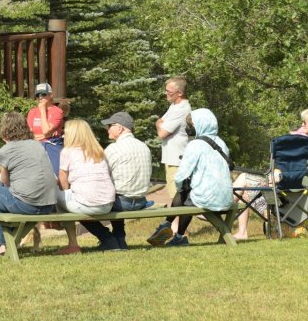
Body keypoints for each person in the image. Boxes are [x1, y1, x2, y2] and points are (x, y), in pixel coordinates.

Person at [158, 108, 233, 247]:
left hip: (208, 198)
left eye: (191, 125)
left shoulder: (195, 145)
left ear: (200, 125)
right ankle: (175, 232)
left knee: (183, 193)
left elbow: (181, 175)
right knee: (187, 194)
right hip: (226, 197)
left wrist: (181, 188)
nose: (189, 128)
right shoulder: (222, 143)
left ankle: (169, 227)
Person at [80, 111, 152, 251]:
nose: (107, 129)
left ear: (120, 128)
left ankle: (108, 239)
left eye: (110, 126)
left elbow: (100, 175)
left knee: (81, 208)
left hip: (121, 202)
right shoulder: (144, 146)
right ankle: (120, 238)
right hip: (140, 201)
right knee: (116, 193)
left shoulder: (113, 149)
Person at [0, 111, 56, 256]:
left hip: (28, 205)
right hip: (48, 204)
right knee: (7, 195)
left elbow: (5, 182)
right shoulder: (37, 145)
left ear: (4, 129)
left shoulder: (5, 150)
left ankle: (2, 244)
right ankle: (11, 240)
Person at [54, 118, 116, 255]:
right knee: (78, 200)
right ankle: (107, 238)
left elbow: (63, 181)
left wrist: (65, 191)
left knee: (56, 193)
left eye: (65, 132)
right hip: (107, 203)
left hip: (86, 203)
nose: (63, 135)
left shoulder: (67, 152)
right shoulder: (99, 151)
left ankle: (72, 244)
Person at [148, 76, 192, 245]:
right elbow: (161, 123)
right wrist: (160, 123)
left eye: (169, 91)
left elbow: (162, 132)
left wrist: (159, 124)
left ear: (179, 93)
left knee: (177, 195)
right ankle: (175, 230)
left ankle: (178, 232)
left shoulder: (182, 108)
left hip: (177, 158)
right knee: (174, 193)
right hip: (170, 156)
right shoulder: (173, 106)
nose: (166, 94)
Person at [28, 82, 65, 175]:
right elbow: (29, 135)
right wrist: (47, 135)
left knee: (55, 174)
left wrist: (42, 111)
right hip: (35, 147)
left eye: (43, 94)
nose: (40, 97)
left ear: (50, 95)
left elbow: (45, 130)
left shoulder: (57, 111)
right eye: (37, 95)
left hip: (52, 146)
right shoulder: (32, 112)